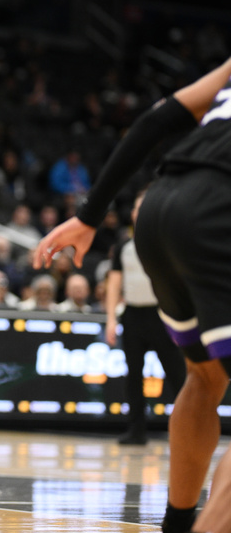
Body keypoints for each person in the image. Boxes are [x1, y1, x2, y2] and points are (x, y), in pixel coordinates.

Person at [35, 56, 231, 533]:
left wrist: (89, 215)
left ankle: (177, 526)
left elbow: (154, 121)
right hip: (219, 205)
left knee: (204, 377)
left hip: (161, 206)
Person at [104, 188, 186, 446]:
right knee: (134, 376)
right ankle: (136, 430)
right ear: (133, 213)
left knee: (177, 374)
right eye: (138, 208)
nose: (141, 212)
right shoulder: (123, 246)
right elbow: (114, 283)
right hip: (133, 315)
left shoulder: (169, 242)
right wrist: (111, 318)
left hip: (162, 314)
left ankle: (188, 426)